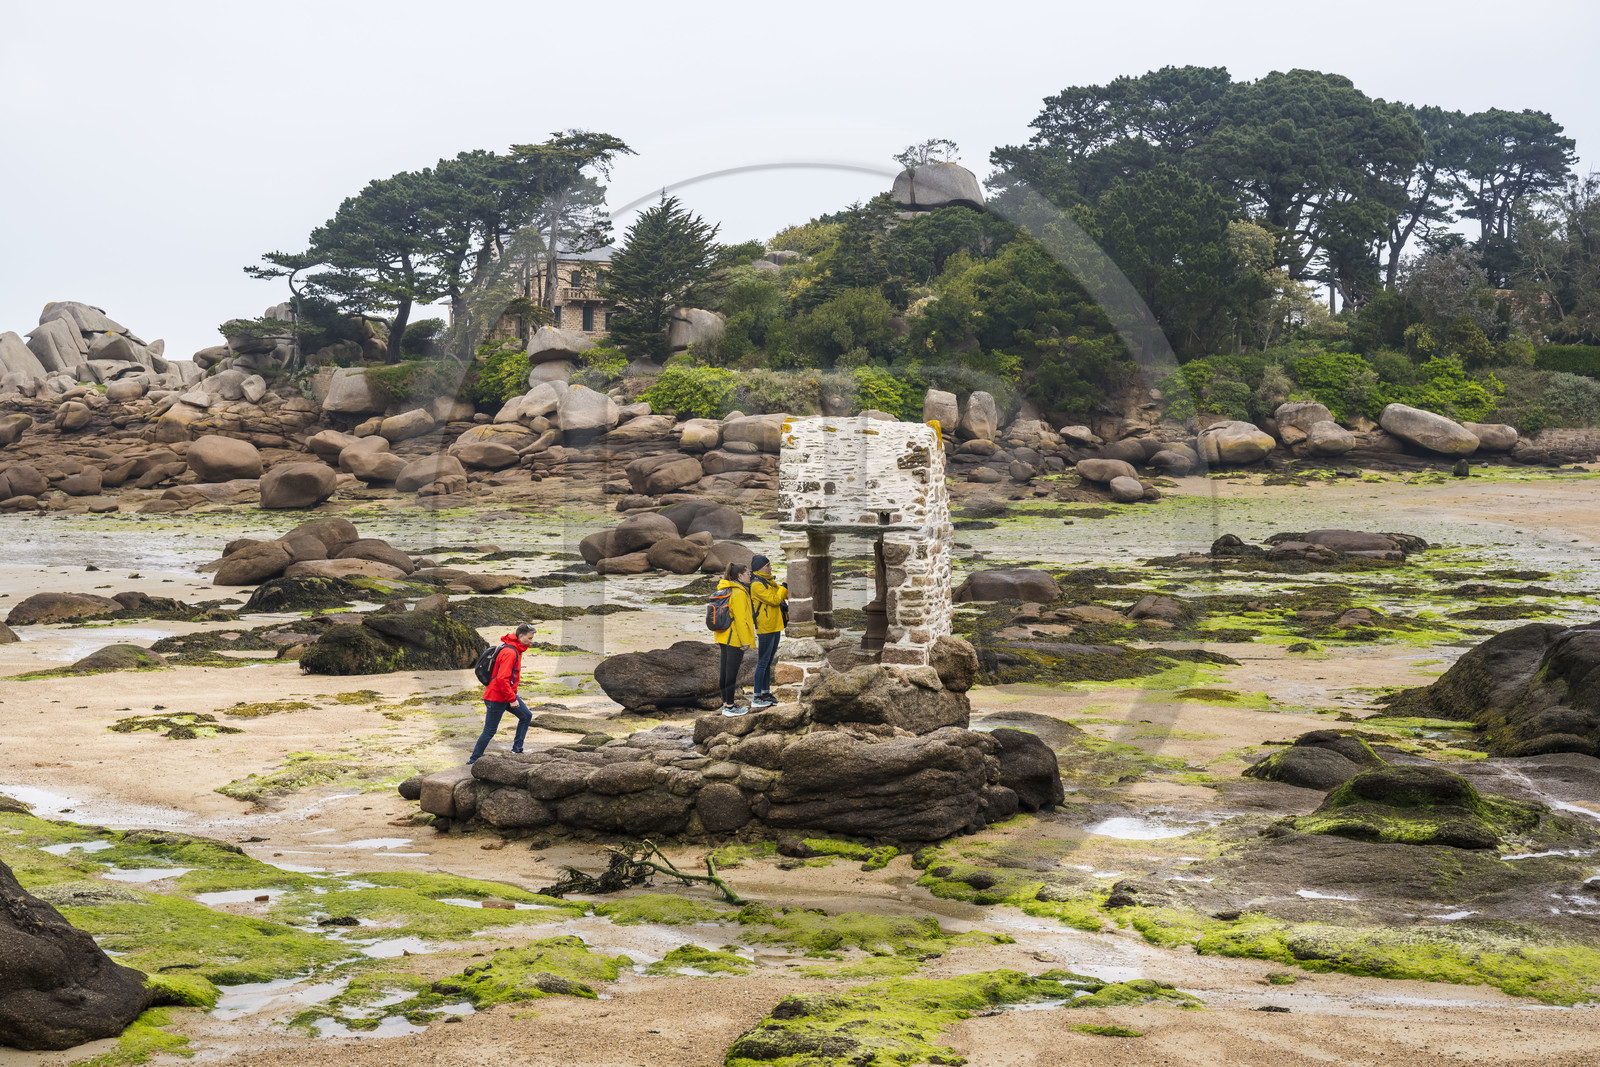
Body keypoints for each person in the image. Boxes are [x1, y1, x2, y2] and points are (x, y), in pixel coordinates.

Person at [470, 623, 536, 763]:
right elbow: (501, 679)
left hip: (505, 694)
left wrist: (511, 697)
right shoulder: (510, 652)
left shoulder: (515, 649)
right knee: (489, 731)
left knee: (526, 716)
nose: (531, 641)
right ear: (520, 636)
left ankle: (516, 749)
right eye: (529, 638)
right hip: (497, 697)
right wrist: (512, 699)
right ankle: (474, 759)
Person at [713, 561, 755, 715]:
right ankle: (729, 706)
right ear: (740, 575)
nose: (750, 575)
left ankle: (726, 704)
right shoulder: (738, 592)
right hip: (734, 639)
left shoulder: (727, 588)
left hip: (723, 636)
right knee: (730, 673)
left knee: (725, 671)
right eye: (747, 573)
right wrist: (745, 642)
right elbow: (740, 620)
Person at [748, 554, 788, 708]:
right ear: (760, 568)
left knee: (768, 661)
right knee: (762, 662)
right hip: (765, 627)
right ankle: (757, 696)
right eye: (767, 566)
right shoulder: (756, 585)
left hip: (776, 625)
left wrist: (786, 586)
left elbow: (785, 594)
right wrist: (784, 584)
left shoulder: (770, 581)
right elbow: (775, 600)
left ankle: (765, 693)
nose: (770, 568)